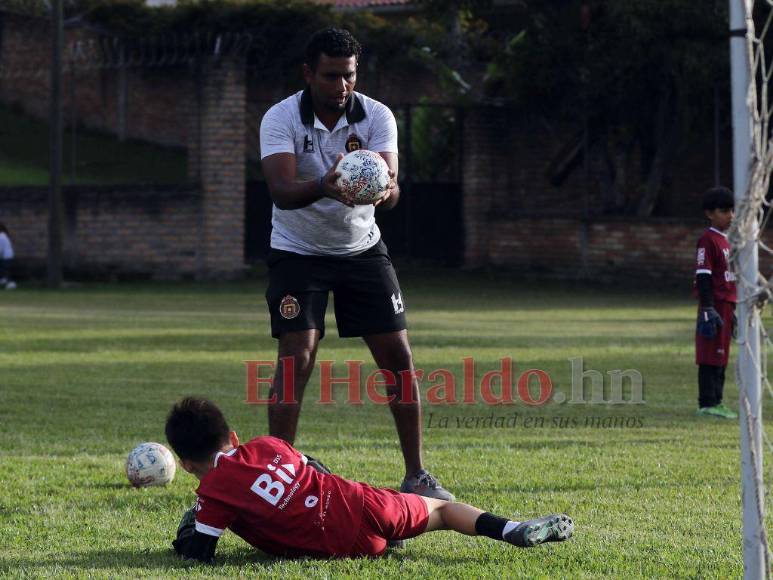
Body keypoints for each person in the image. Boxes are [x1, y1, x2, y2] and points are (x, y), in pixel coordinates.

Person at [258, 27, 451, 500]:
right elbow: (280, 191)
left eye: (348, 75)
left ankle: (417, 473)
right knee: (295, 359)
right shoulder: (281, 118)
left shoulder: (378, 116)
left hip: (361, 249)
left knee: (399, 359)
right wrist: (325, 185)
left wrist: (383, 191)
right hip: (297, 251)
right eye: (330, 76)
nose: (341, 86)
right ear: (309, 73)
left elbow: (392, 188)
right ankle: (279, 476)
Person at [165, 397, 574, 563]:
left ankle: (391, 536)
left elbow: (200, 554)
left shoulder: (212, 494)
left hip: (341, 546)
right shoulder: (268, 444)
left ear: (185, 465)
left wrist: (185, 538)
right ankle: (513, 528)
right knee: (445, 510)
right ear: (233, 437)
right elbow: (318, 467)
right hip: (366, 504)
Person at [694, 186, 737, 419]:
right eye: (724, 211)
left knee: (722, 355)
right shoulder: (707, 240)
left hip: (728, 305)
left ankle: (717, 401)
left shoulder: (728, 240)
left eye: (732, 210)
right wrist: (707, 307)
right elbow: (703, 275)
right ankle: (707, 402)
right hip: (715, 305)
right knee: (710, 354)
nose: (730, 215)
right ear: (709, 213)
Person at [0, 223, 16, 290]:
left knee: (6, 272)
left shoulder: (1, 236)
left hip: (6, 257)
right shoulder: (4, 236)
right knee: (6, 272)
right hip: (8, 256)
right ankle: (5, 282)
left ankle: (10, 284)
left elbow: (0, 249)